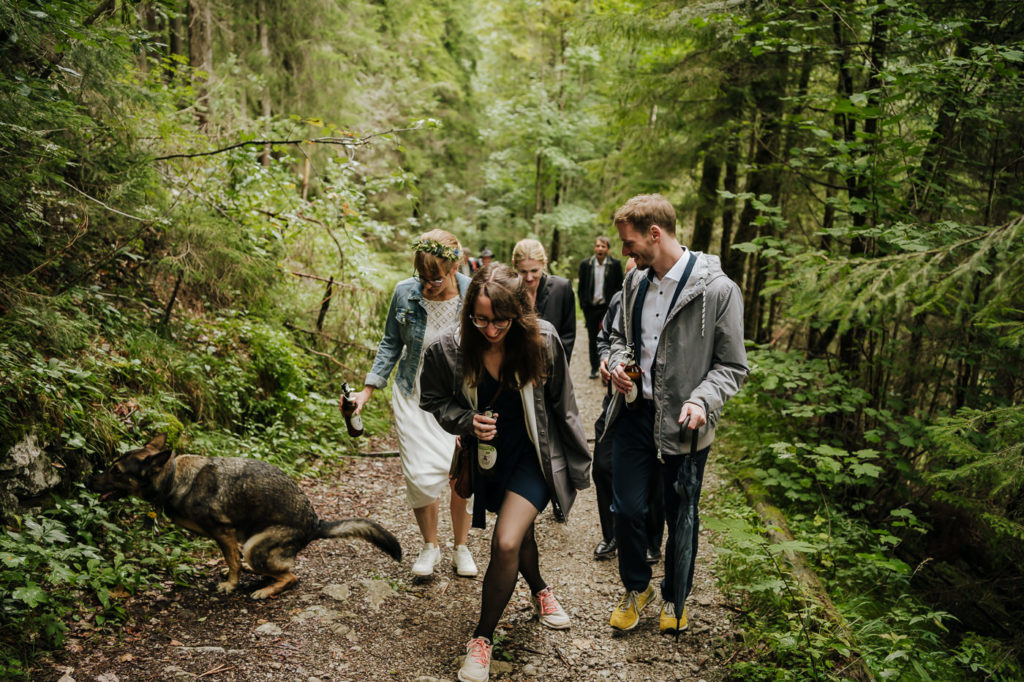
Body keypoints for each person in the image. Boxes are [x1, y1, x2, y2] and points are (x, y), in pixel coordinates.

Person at [419, 263, 592, 682]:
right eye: (480, 319)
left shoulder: (542, 340)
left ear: (518, 312)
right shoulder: (448, 348)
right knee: (522, 536)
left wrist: (579, 466)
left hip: (534, 456)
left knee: (507, 538)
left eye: (500, 320)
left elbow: (563, 407)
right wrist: (466, 421)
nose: (491, 329)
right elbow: (433, 399)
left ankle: (481, 639)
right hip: (489, 459)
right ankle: (540, 590)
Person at [601, 194, 748, 634]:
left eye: (629, 243)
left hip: (685, 424)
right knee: (625, 509)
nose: (625, 252)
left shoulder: (718, 291)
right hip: (633, 414)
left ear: (655, 234)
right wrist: (614, 364)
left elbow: (733, 366)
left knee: (681, 512)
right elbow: (616, 338)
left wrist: (701, 399)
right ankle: (636, 586)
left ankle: (674, 598)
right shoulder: (634, 284)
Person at [345, 229, 477, 580]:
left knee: (460, 471)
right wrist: (367, 391)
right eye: (421, 276)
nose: (426, 285)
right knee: (419, 474)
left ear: (453, 268)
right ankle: (429, 546)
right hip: (412, 393)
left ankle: (461, 547)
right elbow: (391, 343)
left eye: (434, 278)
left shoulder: (474, 293)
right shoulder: (405, 293)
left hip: (459, 396)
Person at [591, 258, 665, 564]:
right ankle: (612, 536)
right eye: (629, 274)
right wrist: (605, 359)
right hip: (617, 403)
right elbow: (604, 338)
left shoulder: (665, 301)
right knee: (603, 467)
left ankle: (651, 542)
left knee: (655, 477)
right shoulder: (619, 299)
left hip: (654, 406)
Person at [511, 238, 576, 360]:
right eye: (523, 272)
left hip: (552, 364)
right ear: (514, 264)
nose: (529, 278)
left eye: (534, 271)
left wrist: (558, 366)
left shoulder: (561, 288)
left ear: (544, 263)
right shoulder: (507, 291)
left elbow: (568, 335)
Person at [578, 236, 624, 379]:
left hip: (607, 308)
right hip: (591, 308)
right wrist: (584, 306)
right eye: (598, 246)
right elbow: (581, 288)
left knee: (608, 338)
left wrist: (615, 308)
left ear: (607, 249)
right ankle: (594, 368)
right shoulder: (586, 264)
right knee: (592, 338)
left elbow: (619, 287)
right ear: (594, 248)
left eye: (603, 246)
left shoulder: (615, 265)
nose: (600, 249)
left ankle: (607, 367)